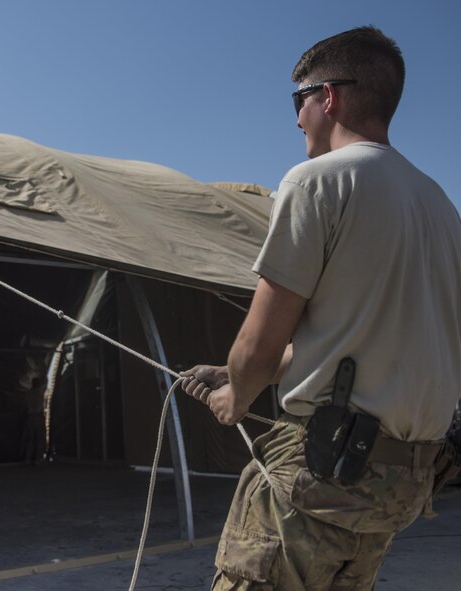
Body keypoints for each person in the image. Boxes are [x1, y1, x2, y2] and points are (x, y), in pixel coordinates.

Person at [180, 26, 461, 589]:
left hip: (322, 477)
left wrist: (236, 393)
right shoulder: (441, 207)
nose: (297, 118)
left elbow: (257, 344)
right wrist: (228, 372)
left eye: (299, 101)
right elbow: (358, 346)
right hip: (398, 486)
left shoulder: (317, 181)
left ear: (327, 96)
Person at [20, 375, 46, 464]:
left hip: (30, 417)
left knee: (30, 439)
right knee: (39, 438)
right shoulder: (40, 393)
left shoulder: (28, 394)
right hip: (38, 416)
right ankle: (38, 459)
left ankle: (28, 458)